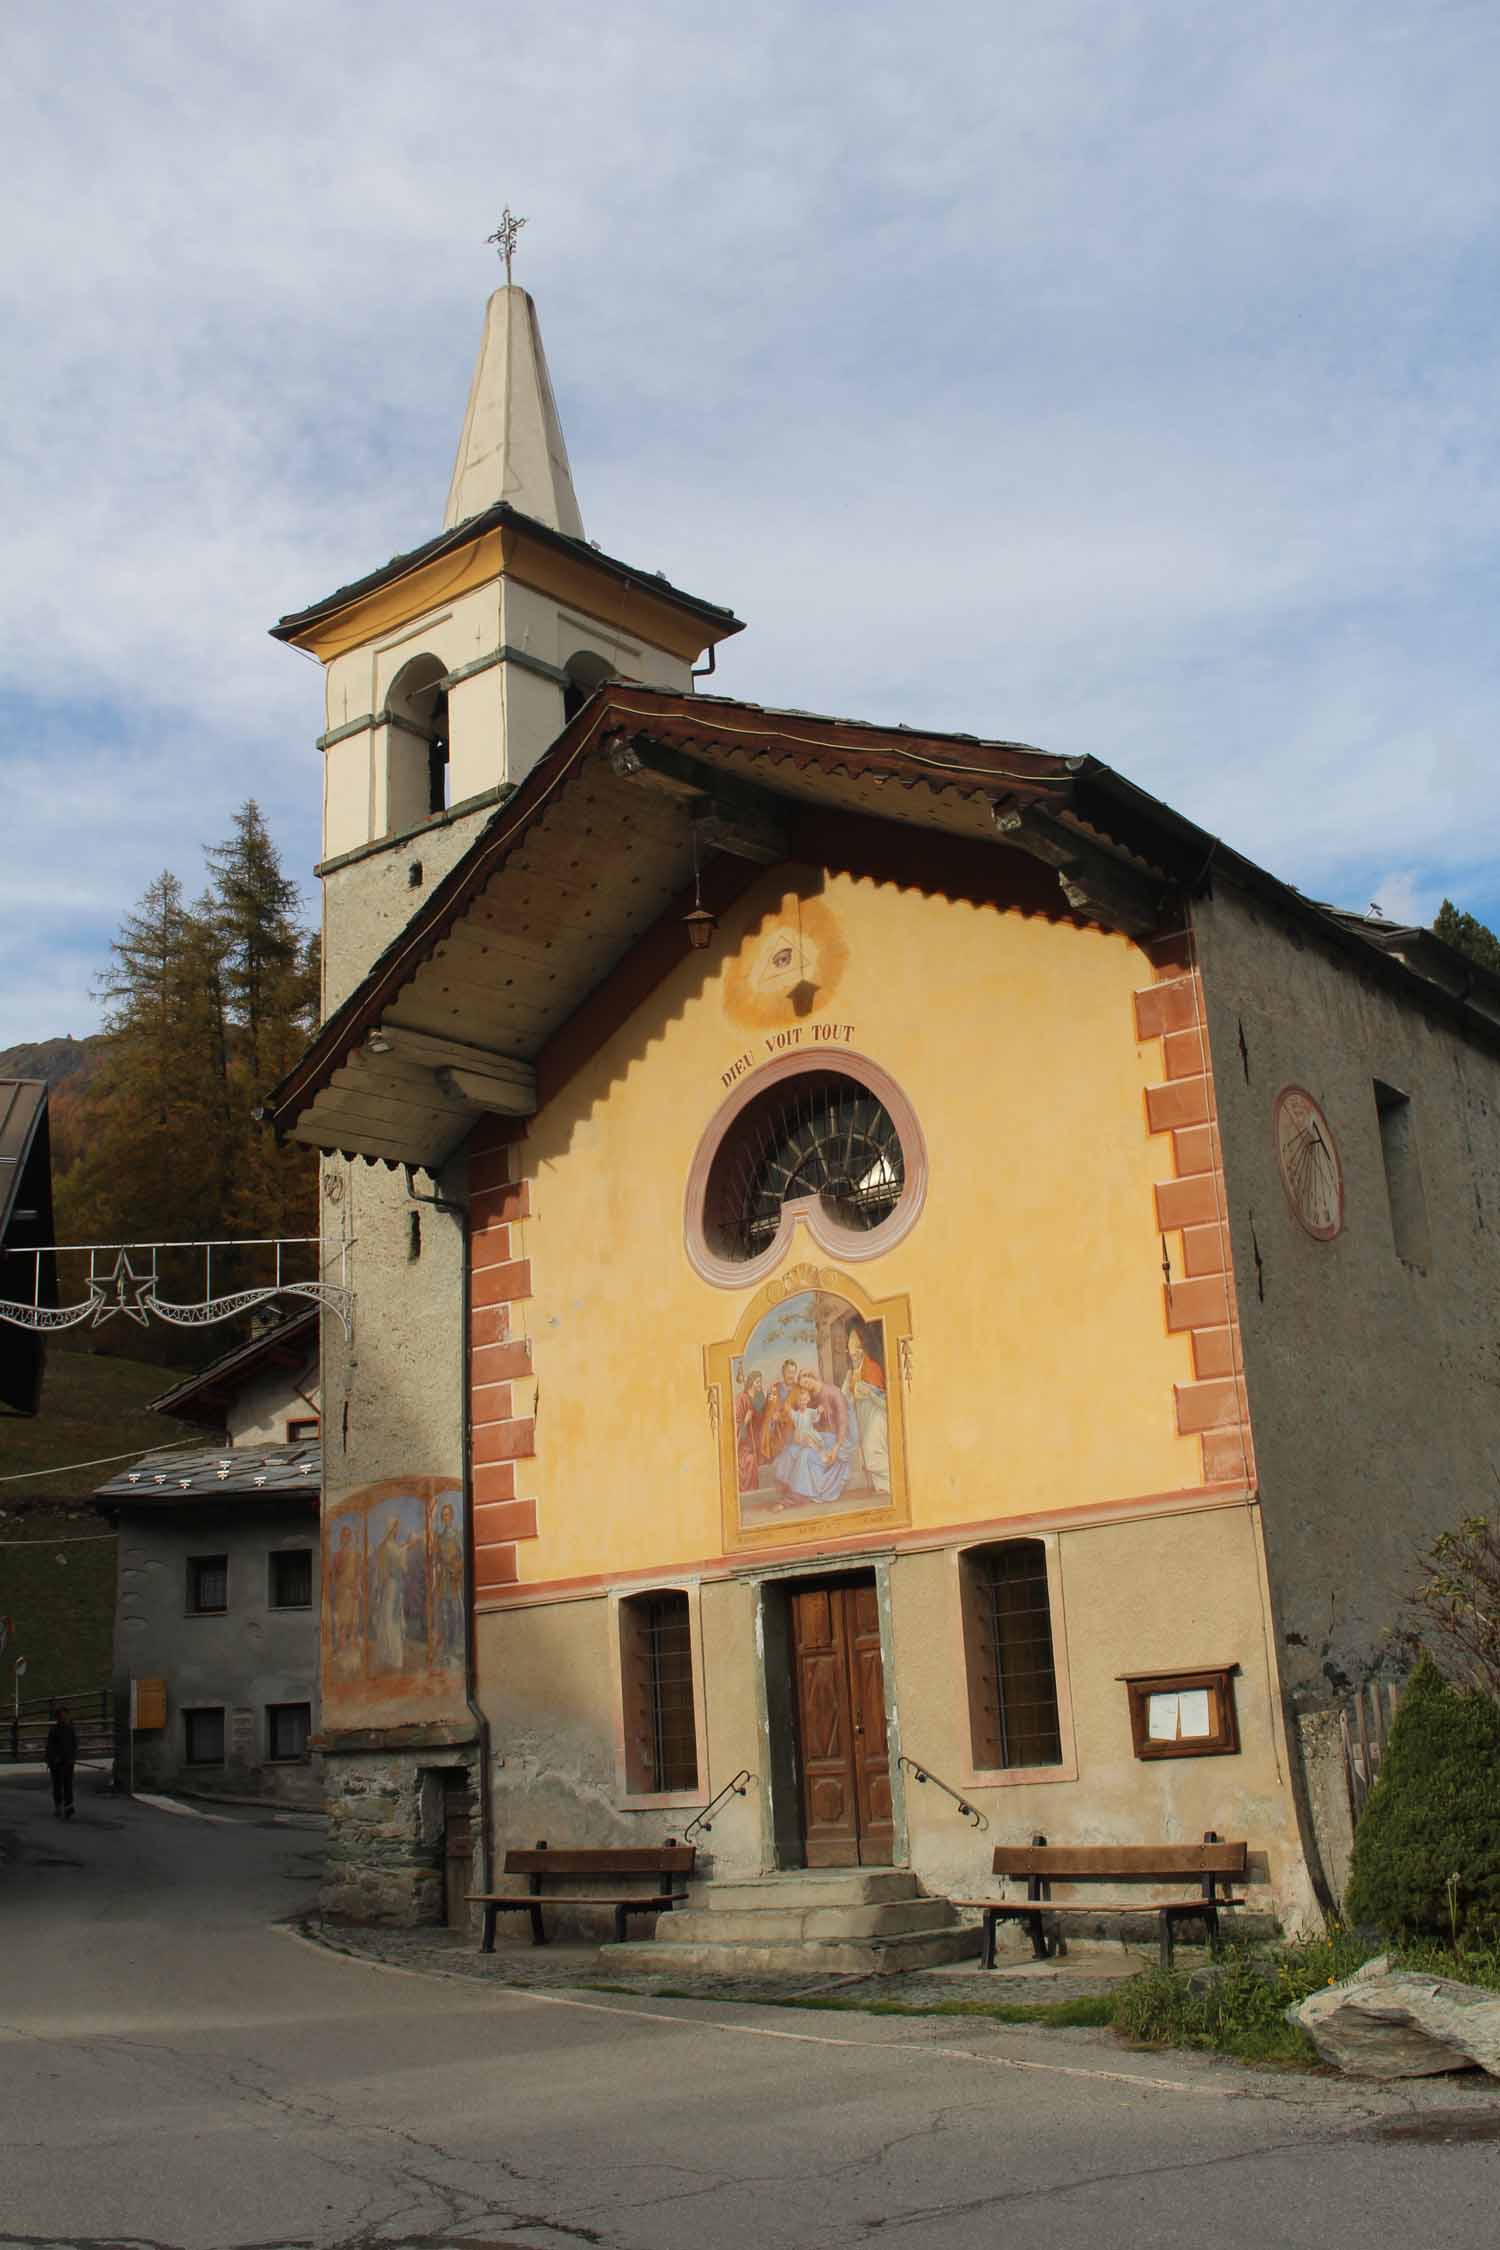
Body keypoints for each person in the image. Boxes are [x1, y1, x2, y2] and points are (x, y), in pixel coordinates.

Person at [842, 1323, 891, 1493]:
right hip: (863, 1417)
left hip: (876, 1416)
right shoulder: (852, 1373)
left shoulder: (872, 1368)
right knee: (869, 1456)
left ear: (863, 1348)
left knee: (872, 1456)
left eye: (856, 1348)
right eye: (850, 1348)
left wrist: (863, 1389)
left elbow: (879, 1396)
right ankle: (885, 1488)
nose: (853, 1353)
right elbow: (844, 1398)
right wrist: (849, 1385)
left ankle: (897, 1480)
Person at [45, 1702, 77, 1820]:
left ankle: (68, 1805)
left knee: (68, 1784)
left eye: (65, 1715)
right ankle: (58, 1805)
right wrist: (52, 1758)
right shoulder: (53, 1731)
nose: (64, 1718)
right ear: (57, 1717)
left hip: (68, 1761)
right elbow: (50, 1747)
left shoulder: (70, 1729)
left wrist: (73, 1757)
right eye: (61, 1716)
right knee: (57, 1785)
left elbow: (74, 1744)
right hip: (57, 1763)